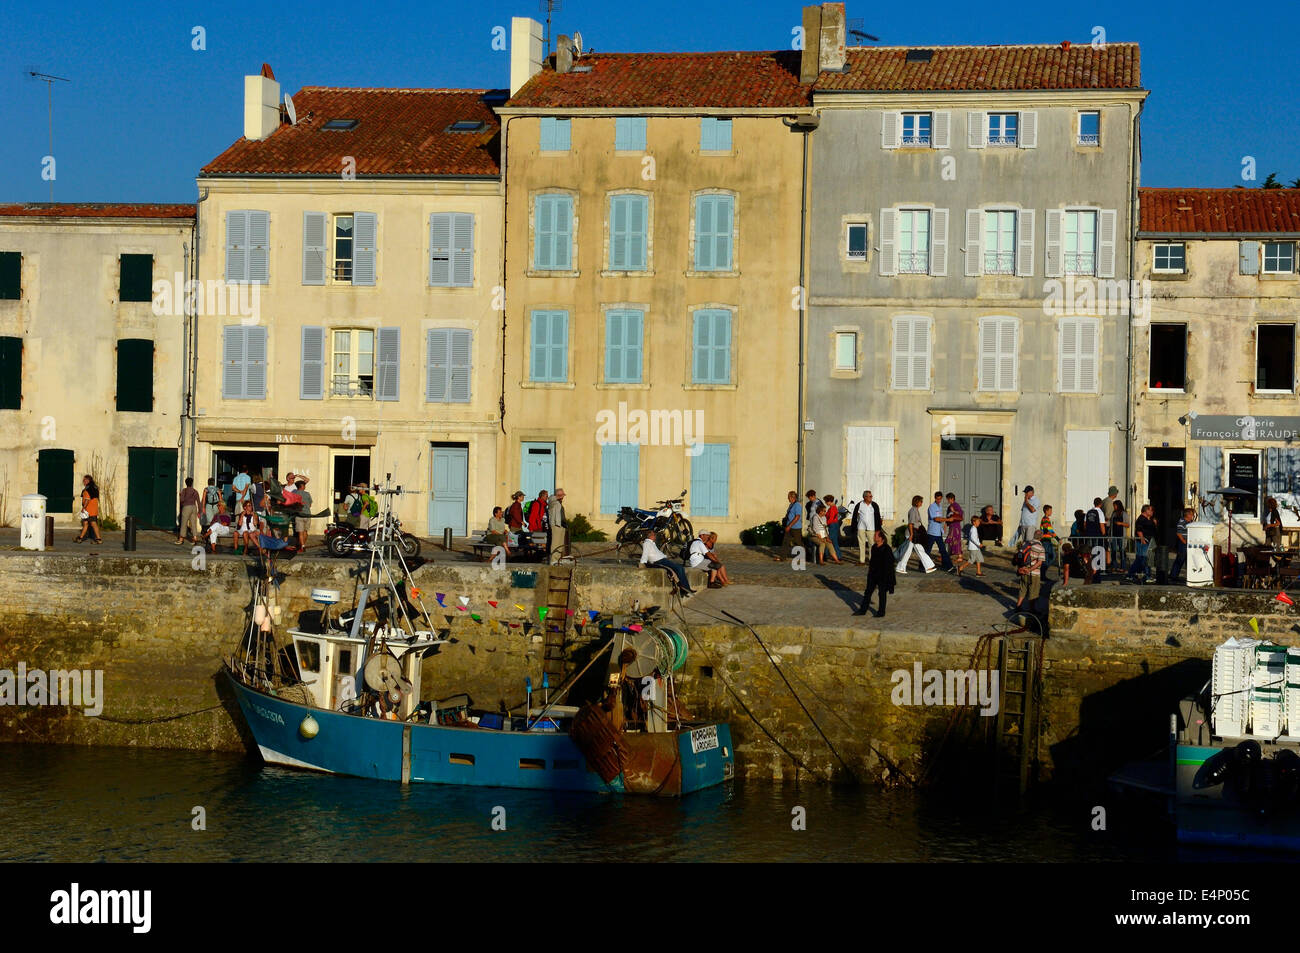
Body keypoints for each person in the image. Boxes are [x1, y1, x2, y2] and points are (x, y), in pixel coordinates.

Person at [854, 529, 896, 617]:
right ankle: (862, 610)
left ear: (881, 538)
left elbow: (889, 565)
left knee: (882, 593)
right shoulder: (873, 547)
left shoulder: (886, 549)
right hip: (873, 574)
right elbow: (872, 561)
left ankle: (881, 612)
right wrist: (870, 572)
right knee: (868, 592)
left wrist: (888, 578)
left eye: (875, 536)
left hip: (883, 575)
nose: (873, 537)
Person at [640, 528, 693, 595]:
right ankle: (685, 589)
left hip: (663, 560)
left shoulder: (651, 543)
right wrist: (642, 563)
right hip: (659, 561)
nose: (655, 536)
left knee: (680, 568)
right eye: (654, 535)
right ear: (650, 535)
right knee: (679, 568)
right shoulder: (647, 543)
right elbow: (645, 554)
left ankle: (685, 588)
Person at [896, 494, 936, 574]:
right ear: (917, 502)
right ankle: (928, 566)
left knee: (914, 550)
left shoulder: (915, 510)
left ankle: (901, 567)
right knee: (915, 550)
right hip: (912, 534)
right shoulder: (913, 511)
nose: (922, 503)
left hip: (915, 534)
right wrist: (911, 535)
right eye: (921, 501)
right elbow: (911, 524)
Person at [1015, 529, 1046, 612]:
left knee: (1023, 589)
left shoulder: (1026, 543)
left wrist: (1021, 568)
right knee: (1033, 591)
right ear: (1041, 537)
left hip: (1023, 570)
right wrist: (1029, 570)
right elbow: (1039, 563)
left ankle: (1018, 606)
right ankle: (1031, 609)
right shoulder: (1041, 548)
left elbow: (1019, 556)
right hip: (1034, 573)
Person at [852, 490, 883, 566]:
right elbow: (854, 516)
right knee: (861, 544)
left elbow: (878, 517)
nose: (871, 497)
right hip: (861, 527)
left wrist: (878, 529)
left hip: (871, 528)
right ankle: (862, 561)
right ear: (865, 497)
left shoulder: (874, 505)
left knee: (872, 545)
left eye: (871, 496)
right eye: (870, 496)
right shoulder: (859, 505)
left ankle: (871, 560)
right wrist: (854, 527)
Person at [926, 491, 954, 572]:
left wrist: (943, 527)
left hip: (938, 532)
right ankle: (922, 565)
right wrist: (948, 519)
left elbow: (940, 518)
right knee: (928, 550)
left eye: (940, 499)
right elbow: (936, 518)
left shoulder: (940, 507)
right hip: (932, 532)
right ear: (935, 498)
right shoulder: (932, 507)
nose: (939, 500)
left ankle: (948, 566)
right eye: (937, 499)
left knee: (943, 550)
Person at [1129, 503, 1157, 583]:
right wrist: (1142, 539)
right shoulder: (1141, 519)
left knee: (1141, 559)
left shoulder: (1148, 519)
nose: (1152, 512)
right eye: (1150, 510)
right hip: (1144, 541)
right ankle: (1147, 576)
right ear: (1146, 510)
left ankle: (1131, 574)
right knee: (1144, 559)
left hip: (1149, 541)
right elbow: (1139, 530)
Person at [810, 500, 840, 565]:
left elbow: (825, 528)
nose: (825, 512)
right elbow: (815, 528)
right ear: (820, 511)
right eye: (824, 511)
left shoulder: (824, 518)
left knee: (830, 544)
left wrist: (827, 537)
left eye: (825, 511)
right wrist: (820, 537)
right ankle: (821, 560)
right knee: (822, 544)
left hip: (823, 535)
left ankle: (836, 560)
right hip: (815, 535)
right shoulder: (815, 517)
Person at [944, 492, 967, 575]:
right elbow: (948, 516)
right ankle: (950, 554)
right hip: (951, 525)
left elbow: (960, 514)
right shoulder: (949, 507)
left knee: (955, 540)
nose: (947, 501)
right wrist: (946, 524)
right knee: (951, 540)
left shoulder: (956, 505)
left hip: (956, 526)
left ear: (951, 499)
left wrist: (954, 511)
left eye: (948, 499)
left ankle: (959, 556)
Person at [75, 474, 102, 544]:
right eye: (83, 480)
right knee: (86, 523)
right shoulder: (95, 488)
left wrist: (83, 508)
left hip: (89, 510)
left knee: (93, 523)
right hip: (93, 509)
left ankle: (99, 539)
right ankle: (80, 538)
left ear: (88, 480)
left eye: (84, 480)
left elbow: (87, 500)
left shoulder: (87, 489)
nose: (83, 482)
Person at [1169, 506, 1194, 582]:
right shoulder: (1182, 521)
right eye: (1192, 514)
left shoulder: (1190, 522)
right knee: (1180, 559)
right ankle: (1173, 575)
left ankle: (1190, 576)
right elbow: (1179, 533)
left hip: (1188, 543)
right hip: (1183, 542)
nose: (1192, 516)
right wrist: (1183, 541)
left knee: (1188, 560)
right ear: (1188, 515)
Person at [1083, 498, 1107, 570]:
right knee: (1097, 550)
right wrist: (1104, 534)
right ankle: (1096, 567)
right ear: (1100, 504)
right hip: (1097, 534)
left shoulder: (1088, 512)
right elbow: (1101, 525)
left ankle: (1089, 566)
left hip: (1089, 534)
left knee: (1089, 550)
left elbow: (1085, 524)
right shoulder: (1100, 512)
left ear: (1094, 503)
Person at [177, 477, 201, 544]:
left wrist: (180, 495)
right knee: (193, 523)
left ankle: (181, 539)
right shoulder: (195, 491)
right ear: (192, 483)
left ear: (186, 483)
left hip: (186, 507)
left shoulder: (184, 490)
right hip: (194, 507)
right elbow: (198, 502)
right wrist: (200, 511)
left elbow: (182, 500)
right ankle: (195, 538)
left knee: (184, 523)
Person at [779, 490, 802, 559]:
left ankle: (805, 555)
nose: (788, 498)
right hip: (789, 526)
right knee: (785, 541)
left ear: (793, 497)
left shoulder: (797, 505)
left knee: (798, 542)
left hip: (795, 527)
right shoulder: (791, 505)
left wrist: (789, 525)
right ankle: (783, 557)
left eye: (788, 497)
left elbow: (797, 517)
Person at [548, 488, 568, 564]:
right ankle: (553, 560)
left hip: (561, 525)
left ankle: (558, 559)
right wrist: (557, 496)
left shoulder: (559, 503)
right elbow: (551, 499)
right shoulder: (553, 501)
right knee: (555, 543)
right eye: (562, 495)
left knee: (560, 544)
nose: (563, 497)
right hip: (555, 525)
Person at [1040, 505, 1059, 579]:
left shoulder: (1047, 519)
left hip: (1048, 541)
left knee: (1050, 557)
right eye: (1050, 510)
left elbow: (1050, 530)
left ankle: (1043, 573)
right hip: (1045, 541)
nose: (1051, 512)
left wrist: (1057, 538)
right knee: (1050, 557)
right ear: (1046, 511)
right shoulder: (1045, 519)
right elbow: (1046, 530)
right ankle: (1042, 573)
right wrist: (1057, 538)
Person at [1109, 500, 1129, 572]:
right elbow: (1111, 524)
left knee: (1122, 551)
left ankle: (1123, 567)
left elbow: (1128, 525)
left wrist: (1120, 523)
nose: (1114, 507)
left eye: (1115, 505)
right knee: (1113, 551)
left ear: (1118, 505)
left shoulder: (1124, 514)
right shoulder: (1113, 513)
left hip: (1121, 535)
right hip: (1114, 535)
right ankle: (1114, 566)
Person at [295, 479, 314, 549]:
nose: (305, 486)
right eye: (304, 485)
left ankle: (302, 545)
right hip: (308, 514)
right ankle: (303, 545)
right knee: (305, 531)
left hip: (299, 514)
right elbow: (310, 505)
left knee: (300, 532)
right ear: (302, 486)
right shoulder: (307, 494)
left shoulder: (295, 494)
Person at [824, 494, 843, 562]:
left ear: (829, 501)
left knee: (827, 540)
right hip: (835, 525)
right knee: (834, 542)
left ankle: (825, 555)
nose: (825, 503)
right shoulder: (833, 507)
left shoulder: (832, 508)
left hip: (832, 525)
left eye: (826, 501)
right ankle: (839, 556)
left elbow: (831, 518)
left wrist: (826, 524)